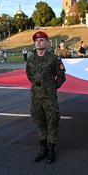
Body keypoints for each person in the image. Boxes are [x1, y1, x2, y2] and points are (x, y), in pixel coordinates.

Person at [26, 31, 66, 164]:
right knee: (39, 121)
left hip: (49, 97)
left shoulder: (54, 59)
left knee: (52, 121)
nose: (39, 42)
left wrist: (52, 87)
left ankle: (51, 149)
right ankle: (42, 148)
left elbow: (61, 76)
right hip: (36, 96)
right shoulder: (31, 58)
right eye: (37, 40)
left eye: (42, 40)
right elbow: (29, 75)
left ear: (47, 43)